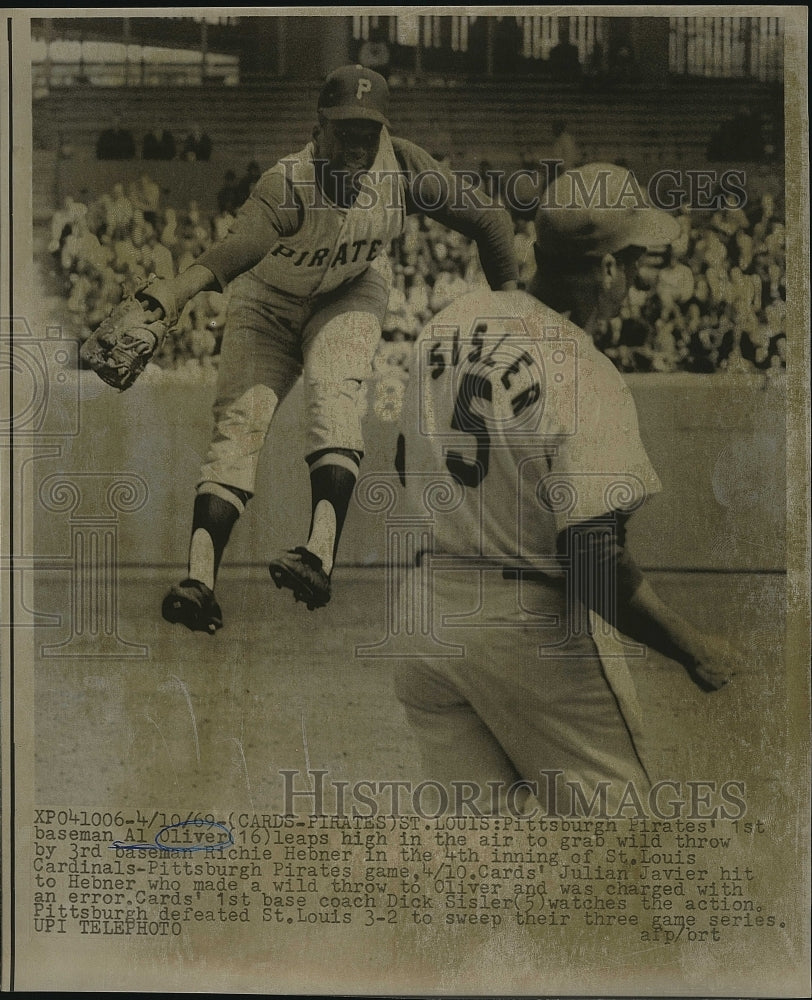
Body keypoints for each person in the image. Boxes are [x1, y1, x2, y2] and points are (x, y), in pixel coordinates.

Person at [392, 163, 739, 817]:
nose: (634, 282)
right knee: (618, 848)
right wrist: (693, 647)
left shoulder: (448, 321)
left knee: (473, 867)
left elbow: (410, 462)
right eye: (633, 263)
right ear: (605, 269)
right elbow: (593, 558)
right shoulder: (582, 368)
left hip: (427, 613)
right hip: (528, 630)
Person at [145, 65, 518, 633]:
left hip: (350, 289)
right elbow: (240, 248)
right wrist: (176, 290)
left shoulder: (403, 166)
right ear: (318, 128)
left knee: (336, 396)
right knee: (239, 428)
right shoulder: (287, 183)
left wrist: (520, 315)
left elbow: (490, 221)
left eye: (369, 133)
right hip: (267, 302)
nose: (359, 146)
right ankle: (199, 580)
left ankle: (318, 556)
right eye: (346, 131)